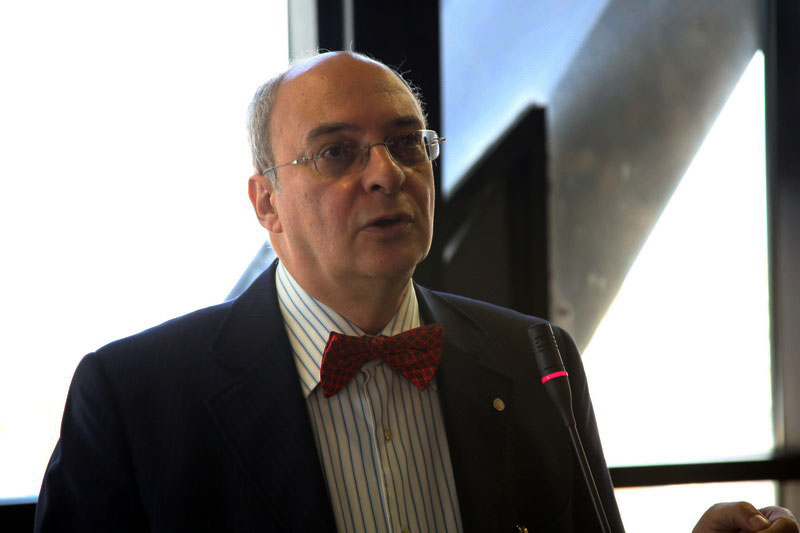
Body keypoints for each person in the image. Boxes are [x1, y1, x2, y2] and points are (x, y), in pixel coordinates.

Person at [34, 51, 797, 533]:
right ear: (266, 203)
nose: (386, 173)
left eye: (407, 144)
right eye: (337, 152)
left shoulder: (534, 354)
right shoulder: (136, 396)